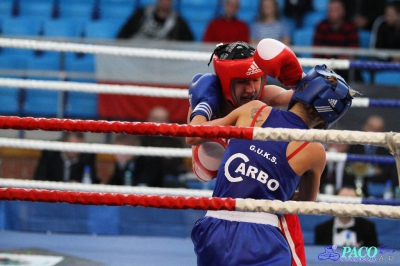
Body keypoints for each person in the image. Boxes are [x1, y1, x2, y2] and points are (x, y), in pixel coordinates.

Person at [187, 63, 354, 265]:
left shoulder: (253, 110)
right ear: (328, 116)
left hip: (213, 225)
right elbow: (305, 203)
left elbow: (194, 135)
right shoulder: (314, 151)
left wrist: (204, 102)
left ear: (303, 89)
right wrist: (271, 186)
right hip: (260, 234)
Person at [187, 40, 307, 266]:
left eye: (255, 80)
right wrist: (203, 105)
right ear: (224, 83)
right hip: (228, 199)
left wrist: (299, 78)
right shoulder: (211, 103)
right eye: (242, 82)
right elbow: (192, 137)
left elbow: (306, 100)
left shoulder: (265, 96)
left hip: (269, 206)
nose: (251, 89)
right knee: (207, 160)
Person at [345, 115, 397, 197]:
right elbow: (349, 170)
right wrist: (372, 171)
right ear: (364, 127)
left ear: (383, 132)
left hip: (379, 192)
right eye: (371, 127)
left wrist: (363, 169)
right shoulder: (354, 146)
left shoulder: (387, 150)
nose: (373, 132)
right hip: (353, 189)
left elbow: (388, 174)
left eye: (378, 129)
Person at [314, 186, 379, 247]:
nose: (347, 205)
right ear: (334, 202)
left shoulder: (368, 228)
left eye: (352, 201)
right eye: (343, 200)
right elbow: (317, 255)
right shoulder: (322, 229)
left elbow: (374, 255)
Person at [139, 106, 187, 187]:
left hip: (169, 179)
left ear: (168, 121)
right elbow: (138, 163)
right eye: (156, 119)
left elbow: (176, 164)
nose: (159, 123)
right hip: (144, 179)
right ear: (149, 120)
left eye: (163, 119)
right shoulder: (140, 139)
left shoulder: (175, 141)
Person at [312, 0, 359, 80]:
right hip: (325, 67)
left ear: (343, 11)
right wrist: (335, 57)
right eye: (330, 10)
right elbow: (316, 51)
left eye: (336, 10)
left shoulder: (350, 27)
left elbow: (354, 52)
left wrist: (333, 55)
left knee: (355, 75)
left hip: (345, 68)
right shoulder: (321, 26)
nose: (333, 13)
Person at [33, 132, 99, 184]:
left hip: (76, 197)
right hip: (53, 196)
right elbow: (39, 178)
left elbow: (91, 181)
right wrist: (64, 185)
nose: (77, 150)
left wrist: (78, 185)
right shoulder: (50, 152)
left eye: (80, 147)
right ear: (64, 142)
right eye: (74, 146)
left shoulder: (87, 155)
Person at [116, 0, 194, 41]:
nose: (165, 1)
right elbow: (124, 33)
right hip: (138, 56)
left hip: (162, 61)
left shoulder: (178, 21)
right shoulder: (142, 14)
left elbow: (188, 42)